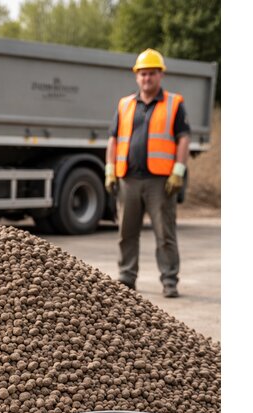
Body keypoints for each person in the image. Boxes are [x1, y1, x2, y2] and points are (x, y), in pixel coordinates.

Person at [105, 49, 191, 298]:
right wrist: (110, 169)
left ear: (160, 75)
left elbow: (183, 138)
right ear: (136, 77)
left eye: (151, 74)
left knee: (165, 234)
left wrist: (178, 171)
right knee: (126, 233)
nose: (147, 78)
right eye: (143, 74)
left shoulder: (174, 103)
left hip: (160, 181)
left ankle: (169, 281)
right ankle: (126, 277)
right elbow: (113, 139)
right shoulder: (125, 104)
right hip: (128, 179)